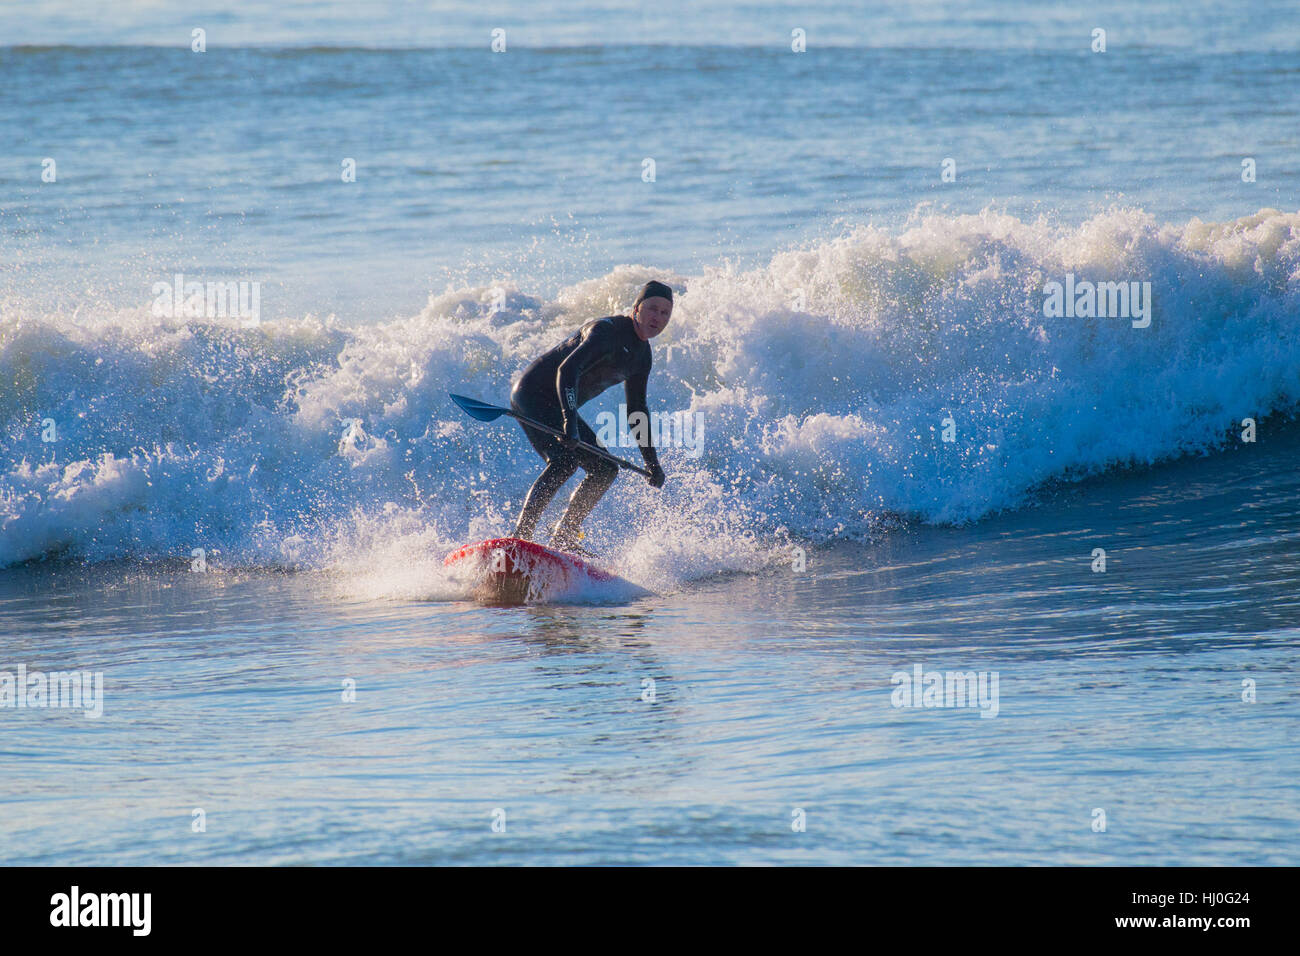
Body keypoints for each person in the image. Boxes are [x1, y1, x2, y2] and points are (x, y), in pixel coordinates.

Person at [510, 280, 673, 551]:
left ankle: (564, 539)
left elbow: (637, 411)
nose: (658, 317)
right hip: (533, 394)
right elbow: (567, 370)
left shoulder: (642, 357)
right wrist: (569, 421)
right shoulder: (606, 332)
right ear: (636, 309)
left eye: (665, 313)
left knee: (605, 470)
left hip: (561, 406)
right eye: (652, 309)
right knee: (563, 463)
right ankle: (519, 538)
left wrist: (652, 463)